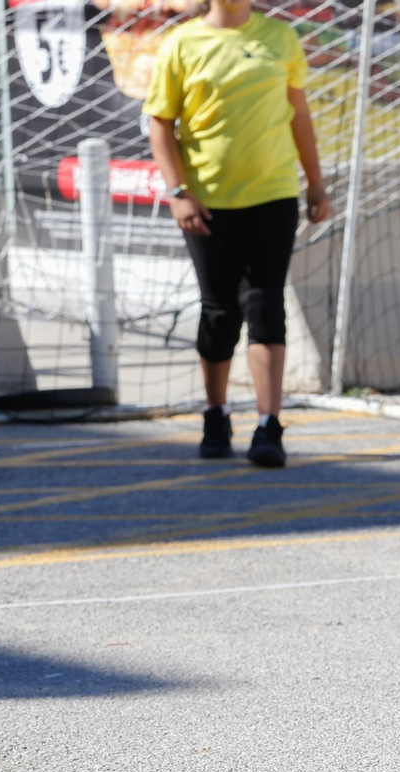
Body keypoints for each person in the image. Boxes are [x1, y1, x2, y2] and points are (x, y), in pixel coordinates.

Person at [143, 0, 331, 467]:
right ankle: (215, 414)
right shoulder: (182, 42)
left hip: (273, 193)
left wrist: (316, 184)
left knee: (265, 303)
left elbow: (298, 114)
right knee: (220, 309)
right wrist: (179, 191)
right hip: (208, 200)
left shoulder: (280, 38)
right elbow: (160, 124)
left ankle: (269, 426)